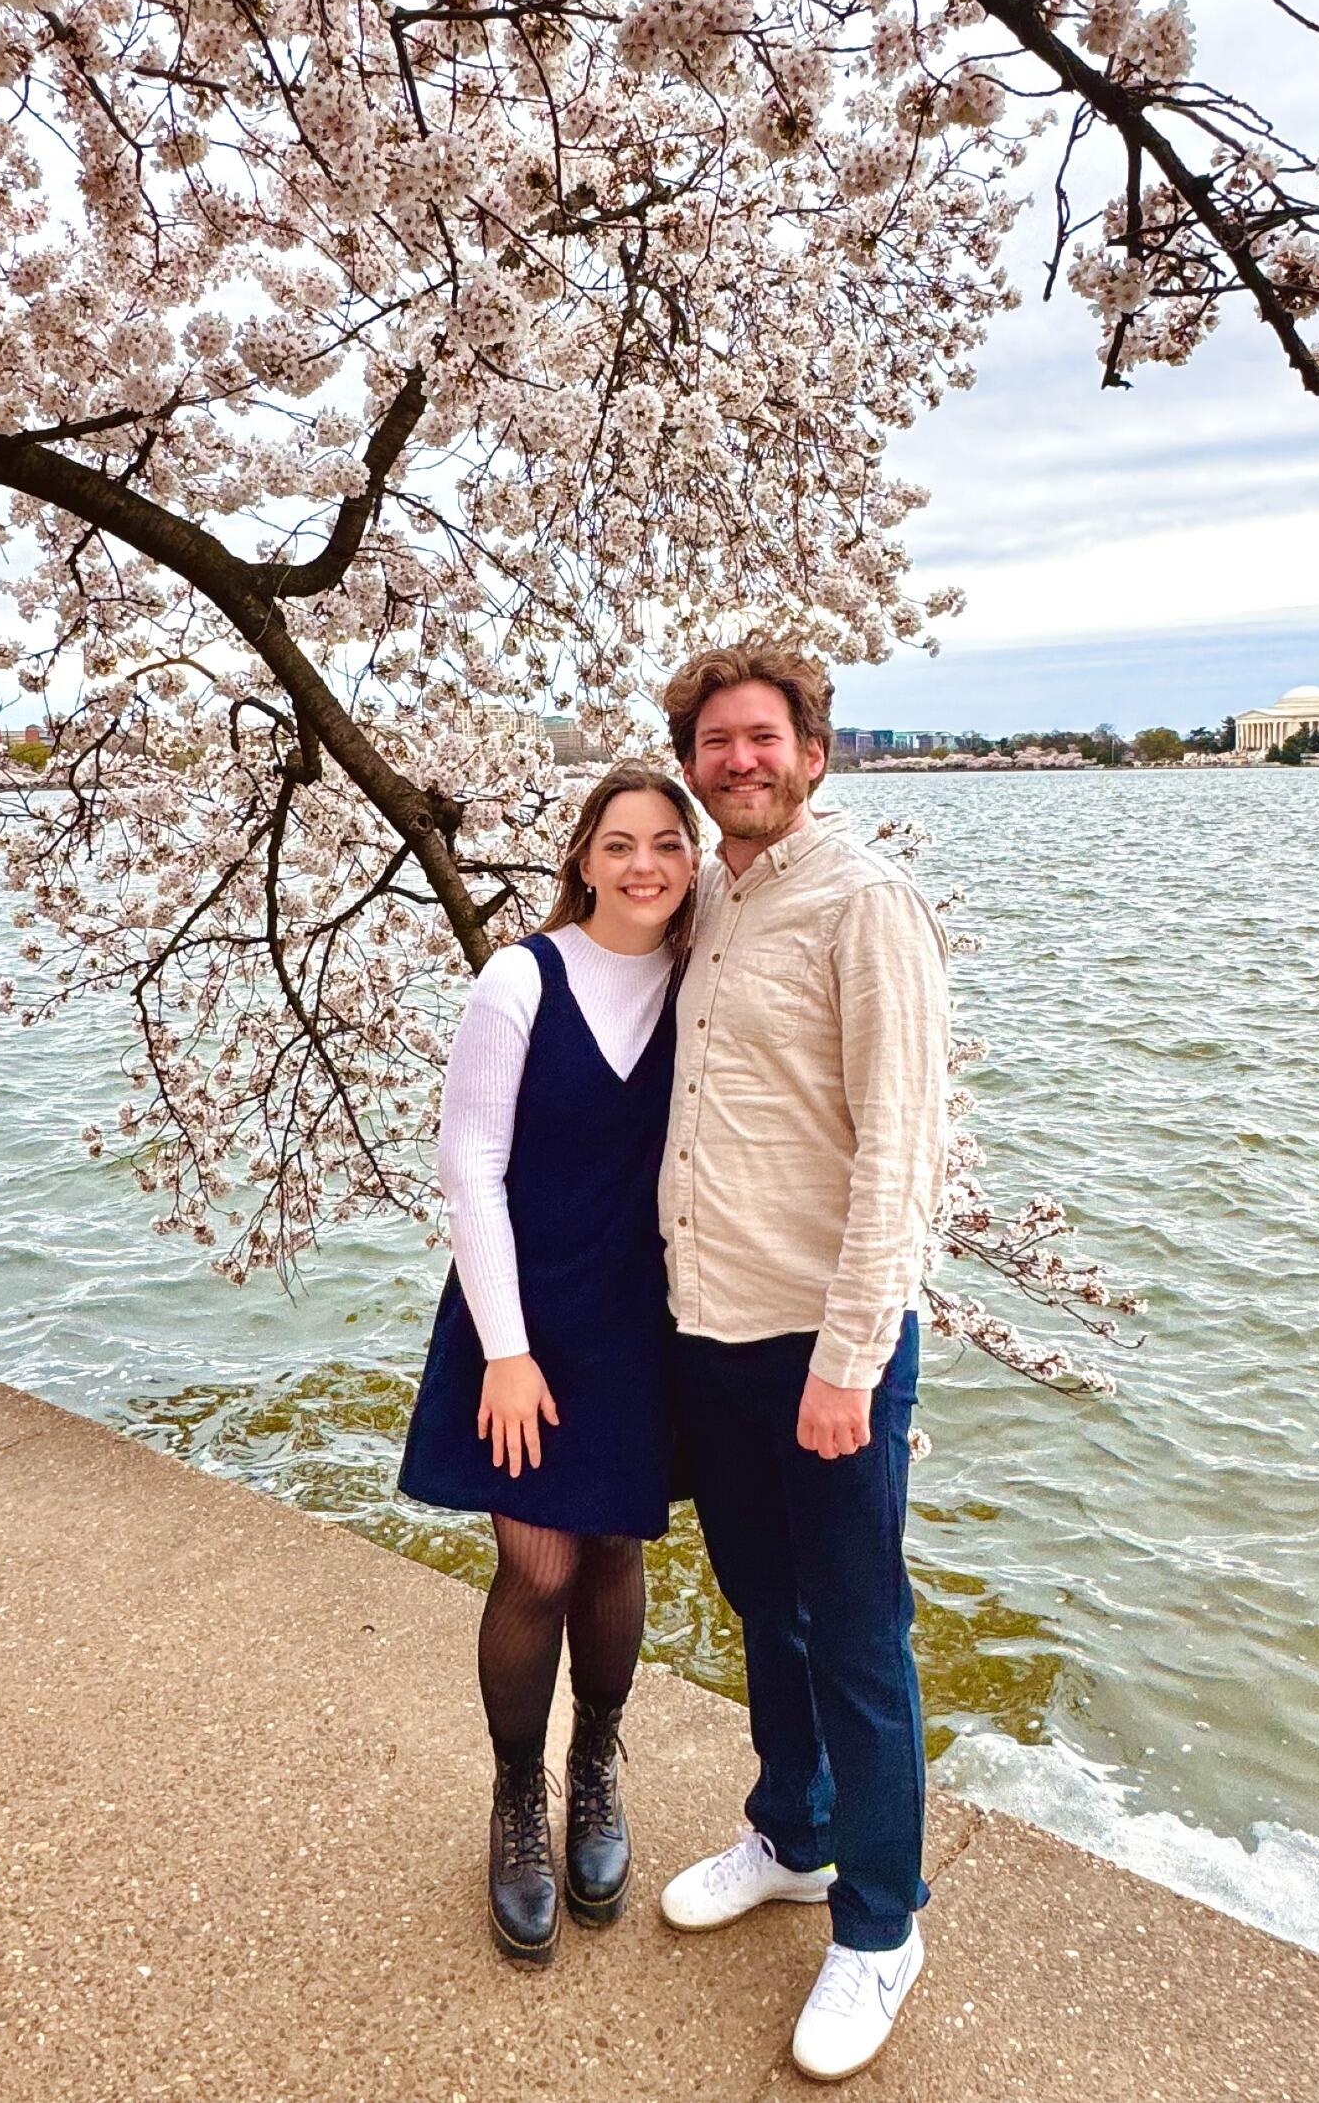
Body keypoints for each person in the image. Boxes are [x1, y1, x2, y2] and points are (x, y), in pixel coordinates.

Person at [654, 638, 950, 2083]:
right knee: (760, 1611)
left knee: (855, 1634)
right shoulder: (708, 898)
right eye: (712, 744)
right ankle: (791, 1831)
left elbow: (900, 1150)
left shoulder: (863, 901)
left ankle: (879, 1926)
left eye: (759, 738)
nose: (737, 762)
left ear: (812, 753)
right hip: (706, 1335)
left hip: (822, 1349)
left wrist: (849, 1359)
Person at [398, 765, 699, 1967]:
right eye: (618, 843)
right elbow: (468, 1165)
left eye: (667, 844)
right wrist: (507, 1353)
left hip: (643, 1315)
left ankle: (596, 1767)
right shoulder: (521, 977)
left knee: (615, 1543)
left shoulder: (697, 981)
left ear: (693, 862)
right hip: (522, 1312)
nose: (643, 865)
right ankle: (517, 1795)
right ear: (581, 857)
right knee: (537, 1559)